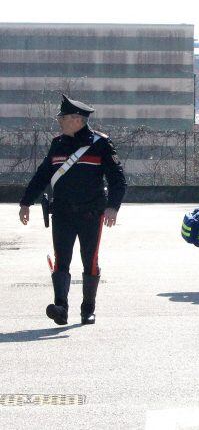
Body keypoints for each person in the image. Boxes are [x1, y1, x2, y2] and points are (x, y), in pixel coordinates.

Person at [18, 95, 127, 325]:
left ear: (77, 119)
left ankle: (88, 309)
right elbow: (42, 175)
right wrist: (25, 202)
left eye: (63, 117)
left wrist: (112, 207)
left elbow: (118, 179)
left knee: (90, 260)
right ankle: (61, 308)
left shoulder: (100, 143)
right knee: (61, 260)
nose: (59, 120)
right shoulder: (57, 143)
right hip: (62, 213)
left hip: (91, 213)